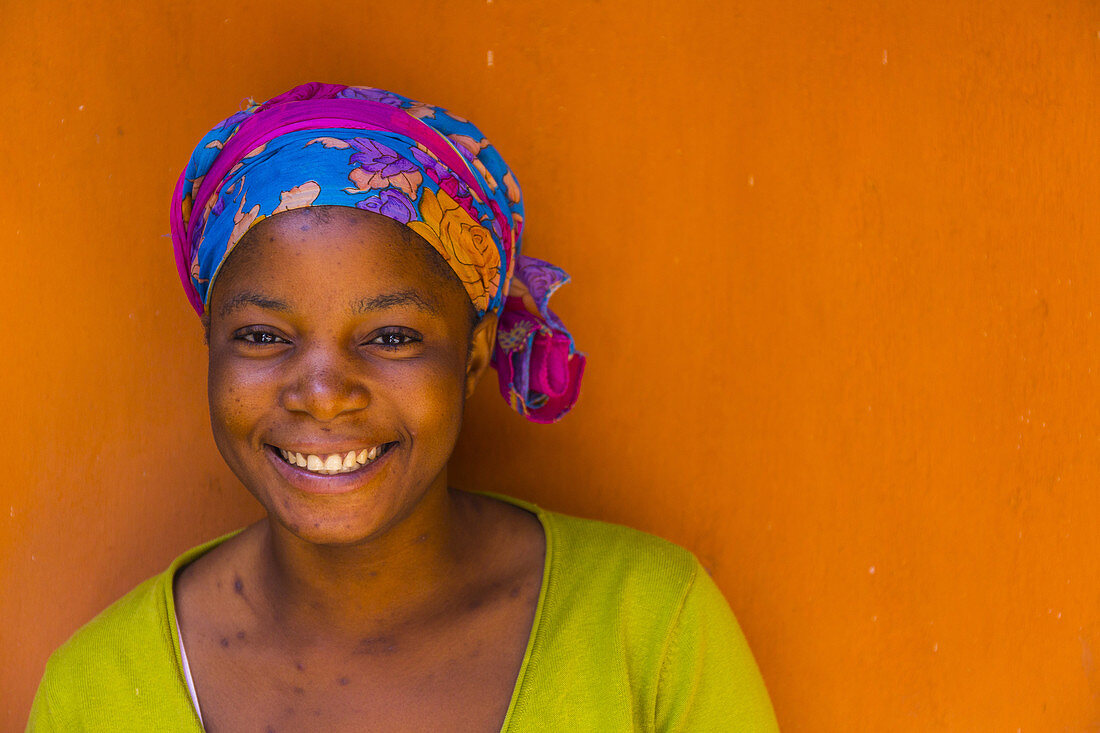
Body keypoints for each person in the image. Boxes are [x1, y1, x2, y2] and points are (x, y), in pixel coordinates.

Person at [26, 82, 778, 731]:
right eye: (261, 334)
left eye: (390, 335)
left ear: (475, 353)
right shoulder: (94, 691)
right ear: (211, 347)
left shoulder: (647, 631)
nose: (323, 392)